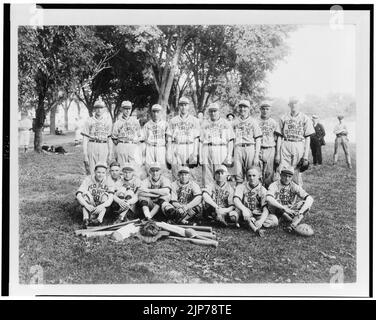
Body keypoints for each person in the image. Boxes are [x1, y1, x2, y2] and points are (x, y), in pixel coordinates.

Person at [276, 97, 314, 186]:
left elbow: (308, 138)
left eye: (296, 103)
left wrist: (305, 156)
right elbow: (279, 137)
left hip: (299, 144)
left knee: (296, 171)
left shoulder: (305, 118)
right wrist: (277, 154)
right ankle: (283, 194)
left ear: (299, 105)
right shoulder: (283, 117)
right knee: (283, 169)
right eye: (292, 103)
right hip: (286, 143)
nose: (294, 105)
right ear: (289, 105)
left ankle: (296, 195)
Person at [266, 165, 314, 231]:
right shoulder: (274, 185)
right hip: (278, 210)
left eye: (289, 176)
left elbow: (310, 198)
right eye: (285, 176)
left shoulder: (294, 185)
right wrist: (284, 208)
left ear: (292, 177)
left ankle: (293, 224)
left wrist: (300, 212)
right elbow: (268, 198)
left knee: (305, 203)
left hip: (290, 210)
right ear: (280, 175)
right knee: (273, 203)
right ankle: (290, 220)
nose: (287, 178)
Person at [233, 167, 277, 236]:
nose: (251, 178)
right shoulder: (241, 187)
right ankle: (249, 223)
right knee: (233, 215)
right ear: (246, 176)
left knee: (274, 220)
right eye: (249, 176)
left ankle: (251, 222)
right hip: (244, 212)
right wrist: (244, 210)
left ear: (259, 176)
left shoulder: (263, 190)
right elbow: (236, 200)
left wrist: (261, 221)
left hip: (257, 214)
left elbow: (265, 209)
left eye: (254, 175)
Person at [199, 103, 234, 187]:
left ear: (219, 112)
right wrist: (200, 156)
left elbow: (230, 140)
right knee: (207, 175)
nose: (213, 113)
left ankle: (221, 196)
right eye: (211, 111)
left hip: (220, 148)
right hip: (207, 148)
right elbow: (200, 141)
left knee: (220, 174)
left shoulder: (226, 123)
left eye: (215, 111)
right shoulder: (204, 123)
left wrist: (229, 155)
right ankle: (207, 195)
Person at [166, 97, 200, 180]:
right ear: (179, 106)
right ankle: (176, 190)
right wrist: (169, 152)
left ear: (188, 106)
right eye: (181, 105)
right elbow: (169, 137)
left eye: (185, 105)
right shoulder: (173, 120)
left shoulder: (194, 120)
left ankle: (190, 191)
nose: (183, 107)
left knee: (189, 172)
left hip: (190, 146)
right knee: (176, 171)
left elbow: (196, 138)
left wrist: (195, 152)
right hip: (177, 146)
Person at [76, 163, 114, 228]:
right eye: (98, 172)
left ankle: (99, 220)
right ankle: (86, 219)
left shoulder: (109, 180)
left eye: (103, 173)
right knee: (86, 194)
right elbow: (78, 194)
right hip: (90, 203)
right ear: (94, 171)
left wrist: (102, 206)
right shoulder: (88, 179)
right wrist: (86, 205)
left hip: (102, 206)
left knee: (105, 196)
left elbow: (110, 199)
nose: (100, 175)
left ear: (106, 173)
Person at [232, 100, 262, 185]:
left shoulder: (253, 121)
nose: (242, 109)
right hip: (238, 148)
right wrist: (230, 154)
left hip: (249, 147)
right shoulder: (234, 122)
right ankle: (238, 196)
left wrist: (256, 156)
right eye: (241, 107)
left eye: (245, 107)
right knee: (238, 174)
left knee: (251, 173)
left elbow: (258, 139)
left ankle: (251, 196)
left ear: (248, 109)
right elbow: (231, 139)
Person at [112, 100, 144, 174]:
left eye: (129, 108)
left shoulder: (135, 121)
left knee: (134, 168)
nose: (127, 110)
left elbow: (140, 136)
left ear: (131, 109)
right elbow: (114, 138)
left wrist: (136, 142)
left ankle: (134, 184)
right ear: (122, 109)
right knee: (122, 168)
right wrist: (120, 145)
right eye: (125, 108)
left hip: (132, 145)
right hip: (122, 144)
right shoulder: (117, 122)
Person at [82, 101, 113, 175]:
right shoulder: (89, 120)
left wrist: (110, 152)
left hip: (103, 145)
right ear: (94, 109)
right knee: (92, 169)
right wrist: (85, 154)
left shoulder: (107, 121)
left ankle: (102, 186)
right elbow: (85, 138)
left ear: (104, 109)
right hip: (92, 144)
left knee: (102, 169)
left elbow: (109, 138)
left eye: (101, 108)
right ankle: (92, 185)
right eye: (97, 108)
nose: (99, 110)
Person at [258, 102, 281, 188]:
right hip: (258, 148)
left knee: (269, 173)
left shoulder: (273, 122)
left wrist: (277, 154)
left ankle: (268, 194)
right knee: (257, 172)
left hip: (270, 148)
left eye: (267, 109)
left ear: (270, 110)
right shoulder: (256, 121)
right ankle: (258, 195)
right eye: (263, 109)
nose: (265, 111)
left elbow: (278, 138)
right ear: (260, 110)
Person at [143, 104, 168, 173]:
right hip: (150, 147)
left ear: (161, 113)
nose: (156, 114)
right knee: (149, 168)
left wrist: (168, 151)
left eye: (158, 112)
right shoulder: (147, 125)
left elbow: (168, 139)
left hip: (161, 147)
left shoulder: (165, 124)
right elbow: (144, 139)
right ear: (151, 112)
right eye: (154, 112)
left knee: (161, 168)